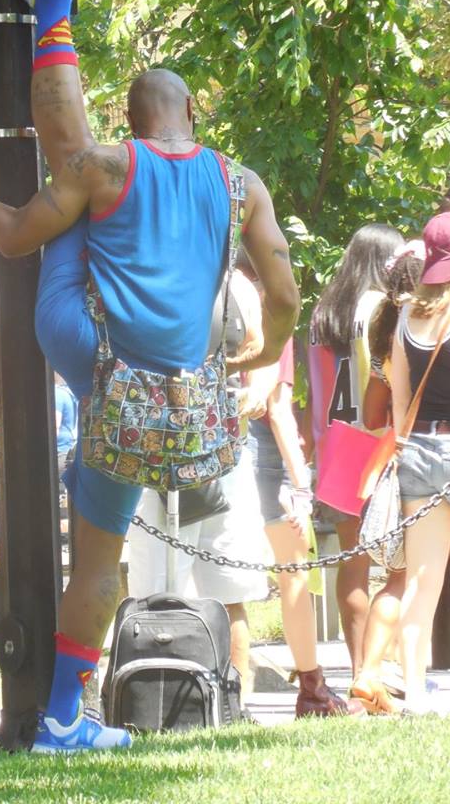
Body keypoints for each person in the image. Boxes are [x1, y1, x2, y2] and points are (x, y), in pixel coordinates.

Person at [0, 0, 299, 753]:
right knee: (101, 565)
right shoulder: (242, 182)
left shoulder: (112, 161)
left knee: (75, 184)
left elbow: (10, 237)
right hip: (173, 401)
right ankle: (61, 717)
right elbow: (287, 290)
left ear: (138, 115)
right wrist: (260, 350)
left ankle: (51, 0)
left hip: (87, 350)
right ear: (193, 112)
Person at [127, 266, 270, 693]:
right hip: (160, 453)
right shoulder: (146, 271)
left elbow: (263, 346)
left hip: (226, 449)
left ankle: (235, 700)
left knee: (230, 589)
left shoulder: (234, 282)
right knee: (159, 593)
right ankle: (158, 700)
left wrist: (256, 386)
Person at [240, 252, 362, 717]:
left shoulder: (208, 303)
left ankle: (230, 691)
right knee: (293, 578)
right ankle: (312, 690)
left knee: (224, 580)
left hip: (212, 446)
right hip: (266, 460)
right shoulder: (273, 311)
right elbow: (276, 409)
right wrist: (301, 484)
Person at [391, 211, 450, 714]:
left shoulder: (406, 318)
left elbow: (401, 407)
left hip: (420, 454)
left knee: (422, 585)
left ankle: (413, 695)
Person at [305, 224, 403, 677]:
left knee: (353, 564)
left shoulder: (325, 311)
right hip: (376, 441)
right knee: (400, 564)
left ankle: (358, 667)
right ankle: (375, 673)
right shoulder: (382, 309)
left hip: (335, 446)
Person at [349, 243, 424, 714]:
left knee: (398, 576)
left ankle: (368, 672)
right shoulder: (437, 330)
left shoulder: (384, 336)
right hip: (448, 457)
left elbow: (372, 413)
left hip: (399, 459)